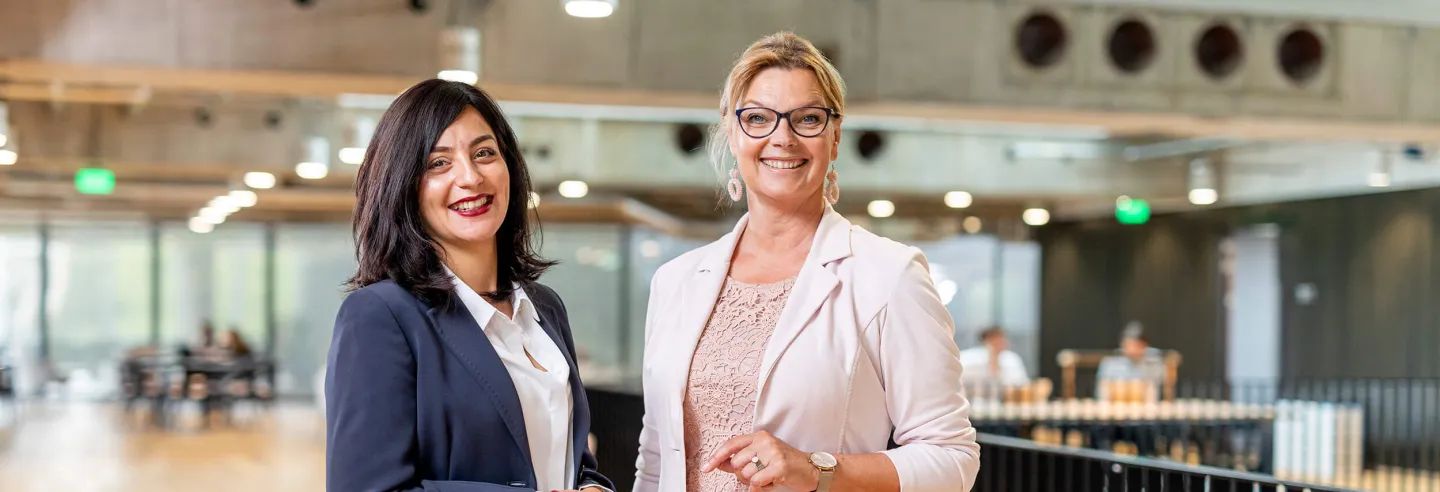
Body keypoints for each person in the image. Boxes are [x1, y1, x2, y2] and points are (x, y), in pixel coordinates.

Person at [633, 32, 980, 492]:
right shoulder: (674, 281)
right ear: (733, 133)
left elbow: (952, 457)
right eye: (758, 118)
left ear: (834, 138)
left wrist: (818, 470)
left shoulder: (888, 275)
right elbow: (656, 461)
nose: (783, 137)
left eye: (808, 119)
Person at [326, 79, 613, 492]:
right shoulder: (381, 316)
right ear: (404, 186)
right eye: (438, 163)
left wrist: (592, 487)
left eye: (484, 153)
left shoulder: (545, 308)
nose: (471, 176)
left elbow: (567, 458)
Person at [1096, 321, 1167, 401]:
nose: (1132, 349)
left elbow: (1155, 390)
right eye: (1129, 344)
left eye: (1137, 345)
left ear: (1145, 345)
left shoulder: (1154, 361)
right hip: (1115, 408)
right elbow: (1102, 392)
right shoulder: (1111, 361)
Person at [958, 327, 1031, 397]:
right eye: (993, 339)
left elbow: (1023, 384)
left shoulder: (1012, 359)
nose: (998, 342)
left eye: (1001, 339)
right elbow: (960, 382)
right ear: (984, 341)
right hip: (974, 401)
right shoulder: (969, 358)